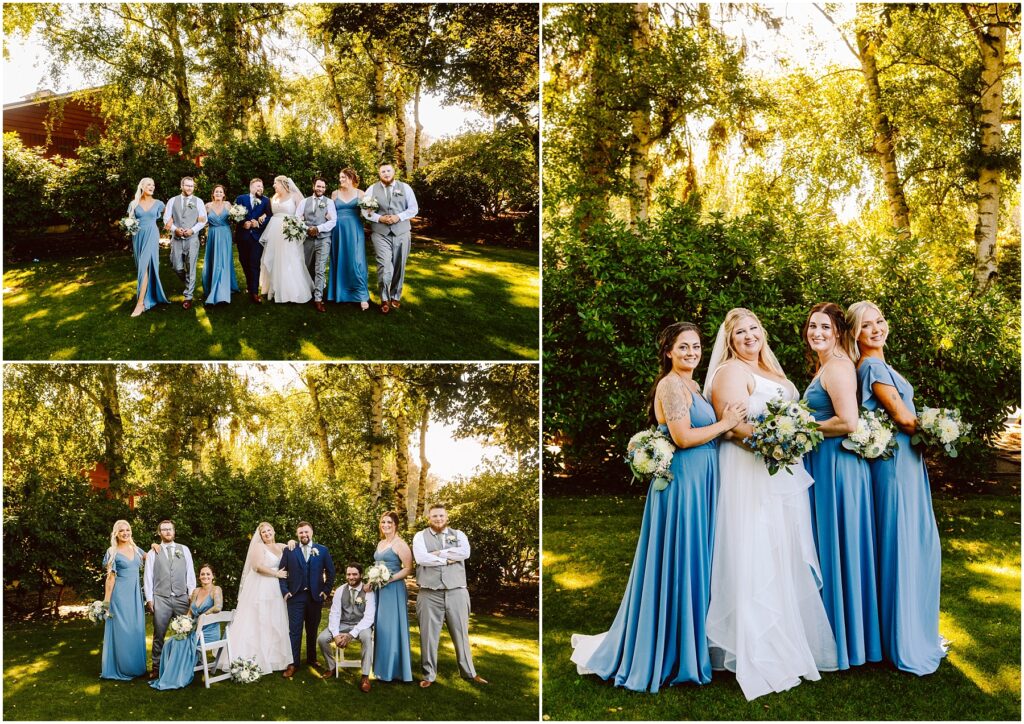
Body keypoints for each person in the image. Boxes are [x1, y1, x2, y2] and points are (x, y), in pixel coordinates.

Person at [570, 322, 746, 692]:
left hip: (703, 482)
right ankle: (670, 653)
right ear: (668, 351)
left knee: (696, 562)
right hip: (682, 486)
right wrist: (726, 423)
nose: (691, 353)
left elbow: (710, 431)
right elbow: (683, 437)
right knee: (680, 561)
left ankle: (690, 646)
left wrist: (739, 426)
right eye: (683, 347)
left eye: (696, 347)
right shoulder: (669, 385)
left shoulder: (694, 386)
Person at [705, 307, 837, 701]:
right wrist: (775, 445)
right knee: (753, 548)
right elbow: (732, 429)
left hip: (780, 471)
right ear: (729, 341)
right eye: (740, 333)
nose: (749, 337)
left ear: (763, 332)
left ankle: (785, 640)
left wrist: (788, 443)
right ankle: (752, 647)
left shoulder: (773, 372)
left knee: (781, 549)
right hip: (750, 471)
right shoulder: (730, 372)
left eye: (754, 329)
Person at [848, 300, 946, 675]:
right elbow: (904, 419)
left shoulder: (879, 364)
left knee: (905, 542)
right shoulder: (871, 365)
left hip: (904, 463)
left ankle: (902, 631)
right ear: (855, 334)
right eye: (866, 326)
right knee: (904, 543)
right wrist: (941, 430)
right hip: (896, 466)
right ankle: (903, 638)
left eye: (880, 321)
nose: (876, 329)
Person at [801, 303, 882, 670]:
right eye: (812, 327)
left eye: (824, 327)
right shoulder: (826, 366)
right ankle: (840, 632)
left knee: (839, 545)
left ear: (837, 332)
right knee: (832, 545)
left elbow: (847, 421)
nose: (817, 332)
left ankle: (846, 640)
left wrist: (798, 427)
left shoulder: (837, 367)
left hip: (837, 465)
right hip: (827, 461)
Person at [412, 504, 487, 687]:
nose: (438, 519)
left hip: (457, 592)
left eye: (441, 516)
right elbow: (422, 558)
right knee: (428, 636)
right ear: (429, 518)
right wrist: (447, 559)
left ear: (447, 517)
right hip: (429, 593)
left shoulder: (458, 534)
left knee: (461, 633)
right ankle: (429, 675)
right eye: (435, 516)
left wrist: (437, 554)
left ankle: (469, 672)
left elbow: (465, 553)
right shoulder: (420, 536)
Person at [225, 522, 293, 675]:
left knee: (274, 620)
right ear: (260, 536)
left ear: (274, 531)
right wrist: (276, 574)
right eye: (264, 532)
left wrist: (291, 542)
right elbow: (256, 566)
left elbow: (292, 547)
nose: (267, 534)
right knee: (259, 620)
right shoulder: (258, 547)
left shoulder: (281, 546)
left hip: (276, 589)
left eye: (269, 530)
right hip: (262, 586)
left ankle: (275, 659)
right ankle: (257, 657)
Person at [149, 563, 224, 690]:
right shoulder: (196, 591)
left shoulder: (216, 589)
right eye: (202, 574)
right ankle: (170, 674)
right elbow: (190, 612)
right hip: (194, 629)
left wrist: (203, 616)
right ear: (199, 577)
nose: (205, 576)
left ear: (212, 576)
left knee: (180, 643)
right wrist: (183, 623)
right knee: (170, 642)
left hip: (208, 632)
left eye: (208, 574)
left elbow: (218, 607)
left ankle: (178, 676)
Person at [278, 521, 335, 678]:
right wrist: (285, 592)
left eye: (306, 532)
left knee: (312, 630)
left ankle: (311, 659)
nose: (303, 535)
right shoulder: (290, 550)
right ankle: (293, 663)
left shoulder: (322, 550)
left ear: (312, 533)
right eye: (300, 532)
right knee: (295, 631)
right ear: (297, 534)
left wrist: (325, 592)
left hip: (315, 597)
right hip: (295, 597)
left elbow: (331, 573)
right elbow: (281, 573)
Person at [361, 163, 418, 313]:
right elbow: (364, 210)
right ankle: (384, 298)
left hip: (402, 232)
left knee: (399, 265)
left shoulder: (405, 188)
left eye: (388, 170)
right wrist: (379, 218)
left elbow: (413, 208)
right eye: (383, 171)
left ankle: (395, 296)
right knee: (384, 266)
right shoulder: (372, 189)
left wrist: (398, 217)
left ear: (394, 172)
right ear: (379, 174)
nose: (386, 173)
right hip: (380, 233)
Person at [143, 520, 196, 680]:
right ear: (159, 533)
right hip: (161, 598)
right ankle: (156, 667)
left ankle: (189, 663)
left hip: (181, 598)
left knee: (187, 630)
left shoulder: (184, 549)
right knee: (159, 634)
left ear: (174, 531)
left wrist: (191, 594)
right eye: (164, 530)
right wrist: (149, 599)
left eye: (170, 529)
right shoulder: (153, 552)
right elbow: (148, 576)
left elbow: (190, 573)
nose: (167, 532)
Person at [100, 520, 147, 680]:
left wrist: (156, 545)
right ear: (116, 534)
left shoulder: (135, 549)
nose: (125, 533)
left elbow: (152, 558)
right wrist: (106, 602)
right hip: (120, 596)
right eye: (122, 531)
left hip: (135, 595)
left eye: (128, 530)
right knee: (123, 631)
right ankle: (123, 668)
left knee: (136, 629)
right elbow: (110, 579)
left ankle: (137, 668)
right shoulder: (112, 551)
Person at [317, 562, 376, 691]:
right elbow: (334, 614)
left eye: (354, 574)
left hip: (361, 625)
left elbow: (369, 618)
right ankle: (331, 667)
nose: (351, 577)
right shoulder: (340, 590)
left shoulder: (368, 592)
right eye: (348, 574)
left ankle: (365, 676)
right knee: (322, 639)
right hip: (342, 624)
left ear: (361, 575)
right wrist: (336, 635)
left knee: (367, 637)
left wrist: (351, 635)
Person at [372, 510, 414, 682]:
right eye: (383, 522)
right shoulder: (381, 543)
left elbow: (408, 568)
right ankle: (381, 669)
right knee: (381, 626)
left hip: (393, 588)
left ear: (396, 525)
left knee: (391, 626)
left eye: (389, 522)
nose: (386, 525)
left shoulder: (400, 544)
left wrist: (389, 579)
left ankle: (394, 670)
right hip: (380, 588)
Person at [259, 176, 315, 303]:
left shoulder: (295, 196)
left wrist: (296, 227)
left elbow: (302, 213)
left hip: (289, 231)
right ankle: (274, 289)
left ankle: (292, 291)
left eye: (275, 183)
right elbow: (269, 213)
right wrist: (263, 215)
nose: (274, 185)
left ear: (283, 184)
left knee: (290, 258)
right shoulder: (274, 198)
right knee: (274, 257)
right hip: (274, 231)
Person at [327, 168, 370, 310]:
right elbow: (329, 212)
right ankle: (339, 293)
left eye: (343, 177)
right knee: (340, 259)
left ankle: (361, 295)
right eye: (340, 177)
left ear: (351, 178)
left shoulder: (361, 193)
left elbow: (367, 212)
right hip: (338, 230)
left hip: (354, 229)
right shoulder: (334, 194)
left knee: (356, 261)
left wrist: (370, 210)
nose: (341, 180)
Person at [163, 176, 207, 310]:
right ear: (181, 186)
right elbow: (166, 218)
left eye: (191, 186)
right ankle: (187, 281)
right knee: (176, 266)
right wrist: (175, 229)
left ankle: (188, 296)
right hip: (176, 239)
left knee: (191, 267)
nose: (189, 188)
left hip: (192, 239)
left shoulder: (198, 201)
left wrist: (192, 230)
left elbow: (203, 220)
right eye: (187, 185)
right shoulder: (172, 200)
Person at [127, 177, 169, 317]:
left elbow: (170, 214)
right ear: (142, 187)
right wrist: (129, 227)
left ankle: (140, 303)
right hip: (138, 237)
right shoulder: (134, 204)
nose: (152, 187)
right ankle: (149, 296)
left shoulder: (159, 203)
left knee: (145, 266)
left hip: (152, 235)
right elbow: (129, 221)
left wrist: (170, 226)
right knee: (142, 267)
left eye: (153, 184)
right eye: (149, 184)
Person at [299, 177, 338, 312]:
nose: (320, 189)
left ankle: (318, 298)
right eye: (318, 186)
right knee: (307, 266)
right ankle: (308, 291)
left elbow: (333, 221)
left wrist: (318, 229)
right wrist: (307, 229)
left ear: (325, 189)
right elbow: (297, 219)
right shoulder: (304, 202)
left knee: (320, 268)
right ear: (313, 187)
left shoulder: (330, 202)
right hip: (307, 239)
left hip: (324, 239)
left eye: (323, 187)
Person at [233, 178, 271, 303]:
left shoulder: (266, 200)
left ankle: (254, 292)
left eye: (262, 186)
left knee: (254, 263)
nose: (260, 188)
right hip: (242, 236)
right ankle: (250, 285)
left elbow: (270, 216)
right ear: (251, 187)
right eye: (258, 186)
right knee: (244, 262)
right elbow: (234, 215)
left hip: (257, 238)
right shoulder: (241, 198)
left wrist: (258, 224)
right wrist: (243, 223)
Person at [202, 184, 239, 305]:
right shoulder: (207, 206)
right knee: (213, 260)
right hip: (212, 235)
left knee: (223, 260)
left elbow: (236, 217)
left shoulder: (228, 205)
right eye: (216, 192)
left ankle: (222, 292)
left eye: (220, 192)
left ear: (224, 194)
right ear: (213, 194)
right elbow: (201, 220)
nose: (218, 194)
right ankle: (211, 287)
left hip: (225, 234)